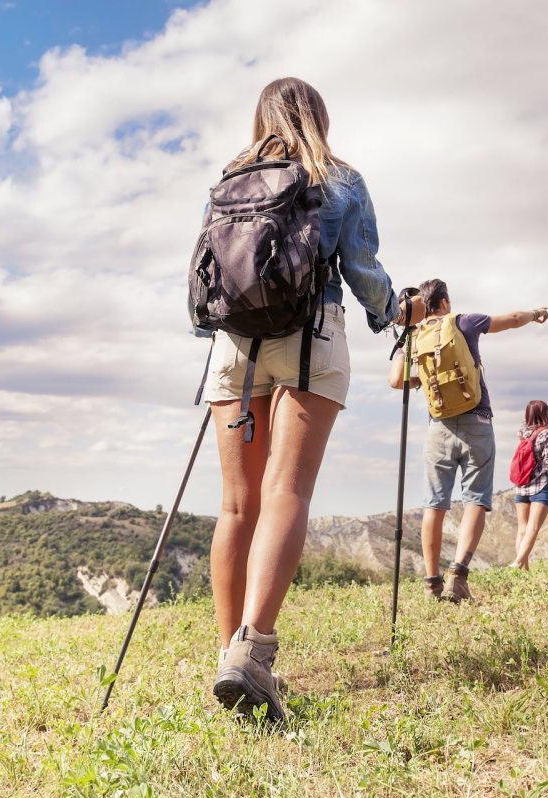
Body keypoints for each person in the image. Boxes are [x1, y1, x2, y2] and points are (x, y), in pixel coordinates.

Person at [199, 77, 421, 723]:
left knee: (236, 505)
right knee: (286, 492)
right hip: (310, 335)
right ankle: (254, 654)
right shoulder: (341, 178)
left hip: (234, 346)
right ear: (320, 116)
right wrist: (389, 317)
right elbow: (362, 268)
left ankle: (228, 655)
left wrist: (208, 332)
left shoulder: (231, 177)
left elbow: (209, 269)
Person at [388, 279, 547, 603]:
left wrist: (424, 374)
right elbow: (512, 320)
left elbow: (395, 380)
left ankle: (432, 582)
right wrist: (534, 313)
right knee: (475, 499)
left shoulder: (415, 338)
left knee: (435, 504)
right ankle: (458, 576)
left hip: (439, 428)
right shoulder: (463, 322)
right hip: (477, 421)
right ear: (444, 302)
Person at [511, 400, 548, 570]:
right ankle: (517, 563)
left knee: (522, 529)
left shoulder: (522, 432)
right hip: (540, 486)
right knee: (533, 528)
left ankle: (524, 570)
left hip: (521, 485)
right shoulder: (547, 434)